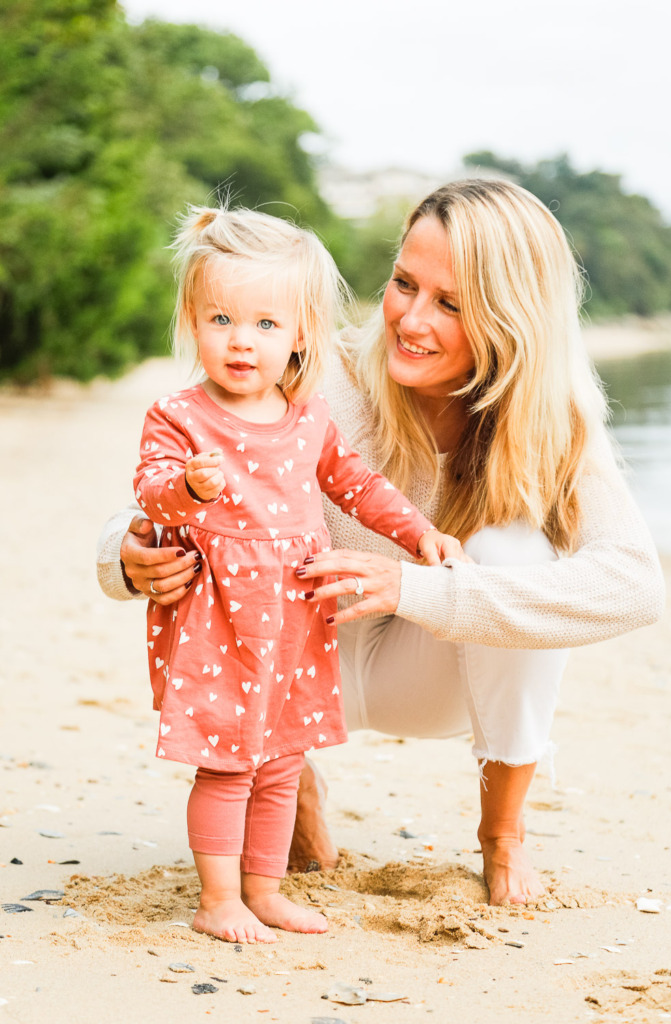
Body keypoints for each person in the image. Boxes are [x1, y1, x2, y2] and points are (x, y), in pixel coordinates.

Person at [98, 179, 664, 909]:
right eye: (403, 283)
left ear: (511, 319)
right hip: (286, 655)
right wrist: (125, 557)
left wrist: (415, 589)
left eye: (450, 303)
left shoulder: (549, 425)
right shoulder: (315, 368)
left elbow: (633, 585)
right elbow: (177, 485)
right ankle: (290, 778)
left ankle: (502, 833)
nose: (410, 319)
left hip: (430, 675)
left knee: (516, 554)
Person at [130, 203, 458, 945]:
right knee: (224, 766)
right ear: (192, 318)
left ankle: (265, 889)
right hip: (219, 619)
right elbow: (148, 490)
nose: (241, 342)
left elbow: (358, 487)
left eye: (265, 326)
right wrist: (189, 489)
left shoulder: (305, 418)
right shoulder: (179, 416)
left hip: (293, 619)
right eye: (221, 320)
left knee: (281, 762)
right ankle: (217, 900)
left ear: (301, 333)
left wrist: (419, 532)